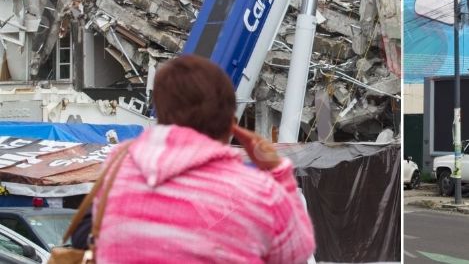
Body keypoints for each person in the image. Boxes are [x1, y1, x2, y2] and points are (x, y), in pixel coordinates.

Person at [74, 55, 315, 263]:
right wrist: (279, 172)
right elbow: (297, 254)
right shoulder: (258, 193)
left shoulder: (119, 165)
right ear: (231, 122)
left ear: (160, 110)